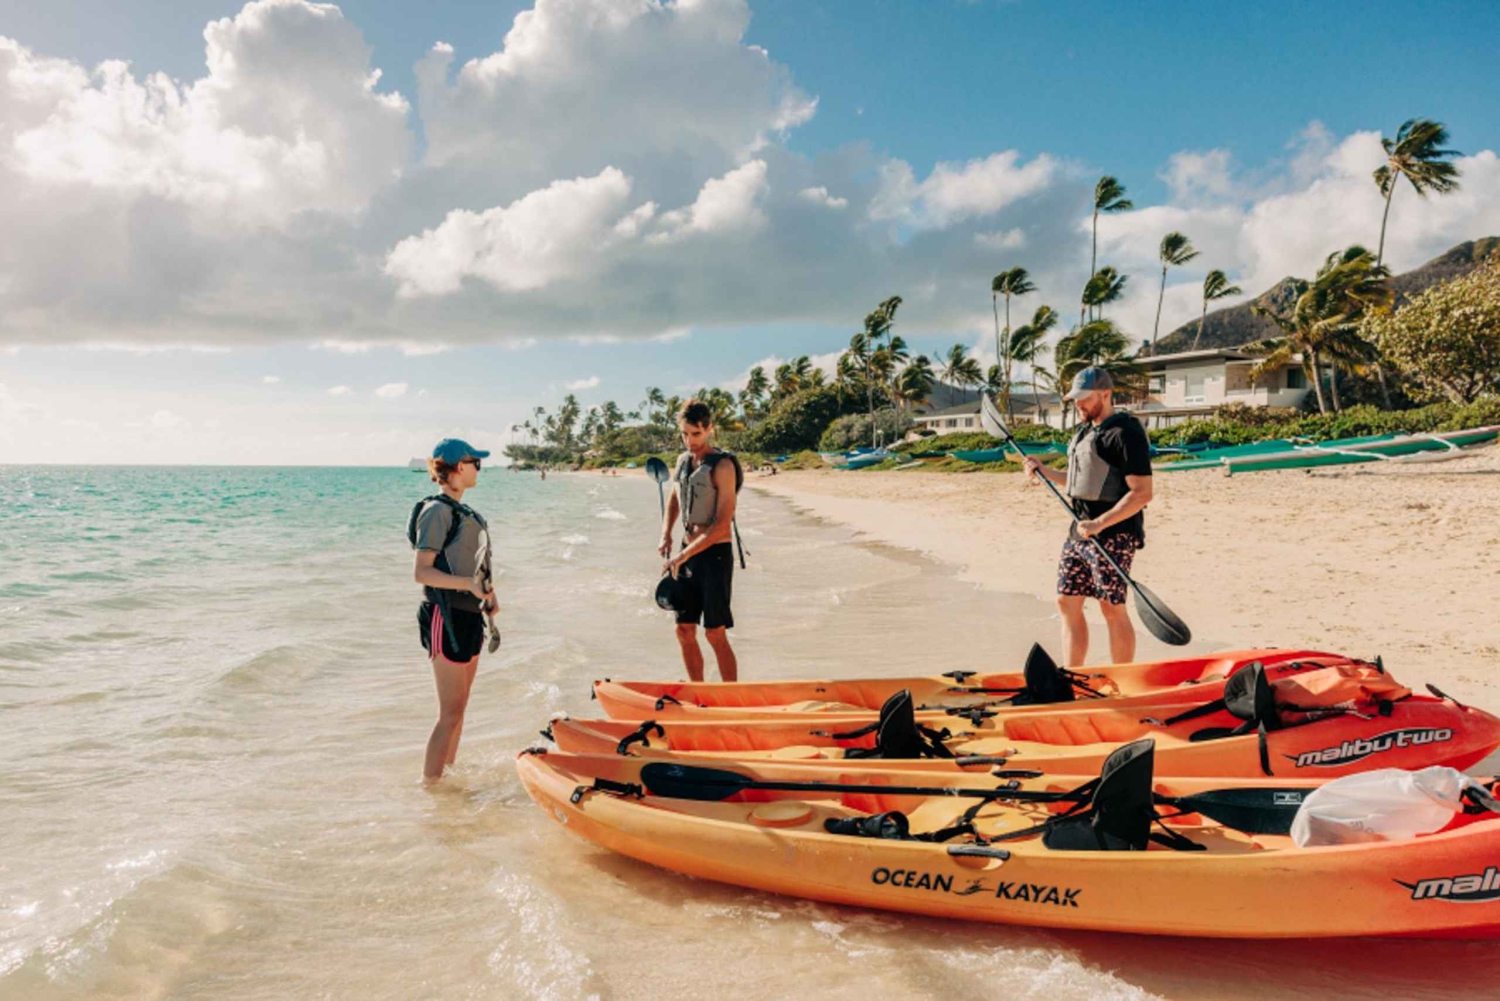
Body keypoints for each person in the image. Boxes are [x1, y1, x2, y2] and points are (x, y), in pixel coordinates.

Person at [1022, 367, 1153, 667]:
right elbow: (1079, 479)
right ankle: (1073, 673)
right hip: (1079, 530)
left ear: (1105, 394)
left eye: (1084, 398)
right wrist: (1043, 471)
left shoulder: (1126, 433)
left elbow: (1142, 493)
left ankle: (1122, 676)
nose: (1078, 404)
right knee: (1066, 601)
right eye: (1075, 399)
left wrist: (1100, 524)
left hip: (1114, 533)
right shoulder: (1084, 431)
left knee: (1111, 607)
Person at [410, 438, 496, 783]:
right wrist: (469, 586)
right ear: (460, 466)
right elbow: (422, 572)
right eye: (477, 462)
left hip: (469, 614)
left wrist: (487, 596)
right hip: (443, 616)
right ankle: (431, 789)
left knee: (459, 709)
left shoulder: (467, 512)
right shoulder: (436, 511)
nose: (479, 469)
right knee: (449, 712)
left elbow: (471, 567)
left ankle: (448, 779)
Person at [659, 399, 740, 682]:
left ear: (709, 430)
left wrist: (681, 556)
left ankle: (731, 697)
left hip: (715, 557)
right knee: (683, 629)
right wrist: (666, 533)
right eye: (684, 434)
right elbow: (674, 497)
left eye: (695, 434)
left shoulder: (723, 466)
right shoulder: (683, 462)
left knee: (714, 633)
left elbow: (720, 525)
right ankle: (699, 693)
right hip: (686, 554)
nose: (689, 441)